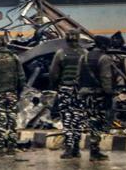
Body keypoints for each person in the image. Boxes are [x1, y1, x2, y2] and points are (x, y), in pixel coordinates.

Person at [49, 29, 86, 159]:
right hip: (80, 91)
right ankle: (76, 148)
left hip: (65, 90)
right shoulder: (84, 53)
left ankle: (69, 148)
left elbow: (53, 73)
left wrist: (56, 86)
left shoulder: (60, 53)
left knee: (67, 119)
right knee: (78, 119)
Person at [77, 35, 114, 161]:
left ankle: (80, 149)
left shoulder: (84, 57)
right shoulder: (104, 58)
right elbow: (106, 78)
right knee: (97, 123)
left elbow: (78, 77)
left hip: (84, 94)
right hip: (97, 95)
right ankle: (94, 151)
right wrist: (109, 94)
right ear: (104, 46)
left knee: (88, 121)